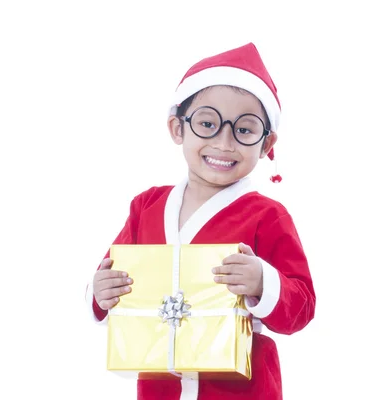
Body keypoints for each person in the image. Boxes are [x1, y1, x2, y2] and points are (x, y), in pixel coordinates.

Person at [84, 42, 316, 400]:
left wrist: (262, 282)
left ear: (267, 143)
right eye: (207, 123)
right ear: (178, 128)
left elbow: (302, 307)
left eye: (244, 130)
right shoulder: (146, 207)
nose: (224, 143)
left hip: (243, 390)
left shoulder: (268, 216)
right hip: (160, 386)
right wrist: (99, 293)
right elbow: (110, 273)